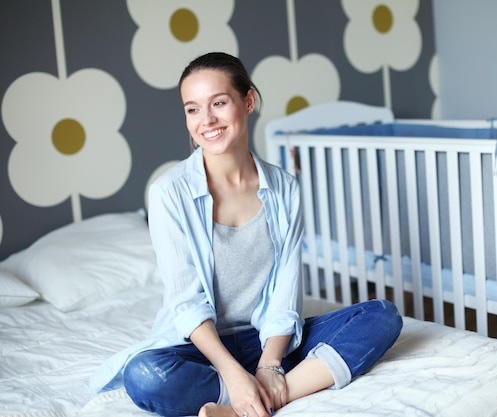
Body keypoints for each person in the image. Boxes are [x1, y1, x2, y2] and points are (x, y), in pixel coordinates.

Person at [91, 52, 403, 417]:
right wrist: (232, 373)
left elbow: (286, 288)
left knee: (382, 316)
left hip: (268, 341)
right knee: (144, 376)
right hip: (202, 349)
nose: (206, 120)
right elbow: (186, 302)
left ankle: (261, 400)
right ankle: (255, 393)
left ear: (248, 100)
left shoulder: (286, 188)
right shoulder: (168, 192)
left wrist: (270, 364)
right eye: (192, 109)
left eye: (219, 103)